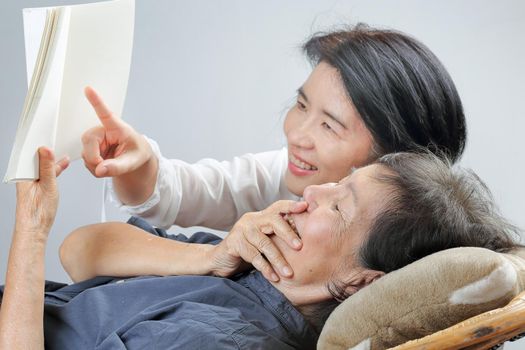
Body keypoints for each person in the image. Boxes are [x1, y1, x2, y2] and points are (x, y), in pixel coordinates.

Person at [2, 149, 516, 348]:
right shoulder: (253, 264)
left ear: (363, 281)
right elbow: (81, 251)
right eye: (342, 182)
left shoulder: (225, 343)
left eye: (339, 208)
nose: (314, 192)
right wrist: (208, 255)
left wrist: (28, 233)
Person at [77, 24, 467, 281]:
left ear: (396, 160)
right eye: (300, 105)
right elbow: (179, 192)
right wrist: (138, 159)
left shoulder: (389, 270)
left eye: (329, 126)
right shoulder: (295, 174)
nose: (297, 133)